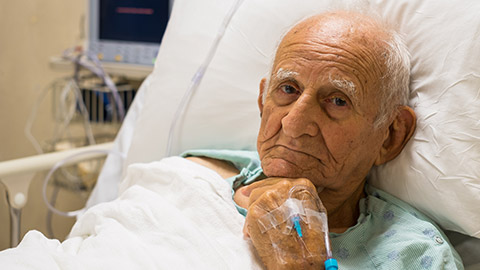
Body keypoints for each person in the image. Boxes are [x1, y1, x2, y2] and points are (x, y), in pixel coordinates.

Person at [183, 10, 464, 269]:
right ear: (262, 100)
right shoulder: (192, 177)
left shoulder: (418, 256)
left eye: (338, 101)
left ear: (390, 136)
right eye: (288, 89)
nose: (293, 124)